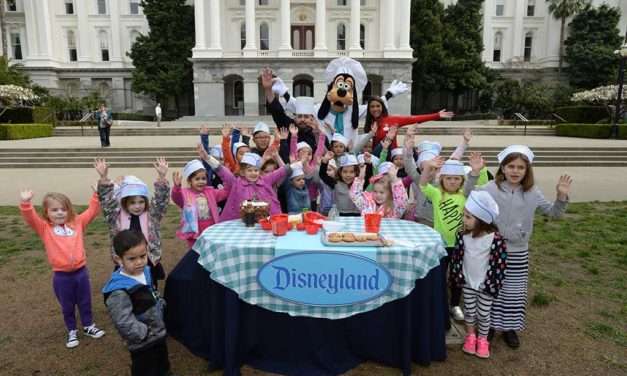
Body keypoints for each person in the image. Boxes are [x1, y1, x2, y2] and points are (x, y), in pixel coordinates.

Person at [468, 145, 571, 349]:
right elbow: (469, 197)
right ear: (503, 168)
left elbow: (554, 214)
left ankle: (509, 328)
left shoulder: (533, 192)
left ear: (527, 170)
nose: (515, 171)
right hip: (492, 250)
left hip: (518, 252)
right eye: (511, 166)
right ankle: (488, 327)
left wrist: (561, 197)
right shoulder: (491, 188)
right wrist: (473, 174)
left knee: (513, 292)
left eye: (520, 167)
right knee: (491, 290)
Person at [19, 188, 105, 348]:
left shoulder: (77, 223)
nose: (59, 213)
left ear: (69, 210)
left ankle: (88, 326)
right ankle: (72, 330)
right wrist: (26, 203)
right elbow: (31, 218)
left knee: (85, 301)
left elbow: (92, 211)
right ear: (46, 212)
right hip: (62, 277)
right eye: (54, 210)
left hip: (81, 273)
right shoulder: (45, 228)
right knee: (67, 305)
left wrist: (96, 195)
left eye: (63, 209)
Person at [419, 154, 485, 323]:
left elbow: (471, 185)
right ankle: (439, 304)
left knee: (457, 276)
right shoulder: (436, 194)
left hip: (460, 245)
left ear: (461, 181)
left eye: (457, 179)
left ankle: (455, 304)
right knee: (439, 275)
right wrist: (428, 167)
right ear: (442, 179)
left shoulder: (465, 196)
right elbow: (423, 183)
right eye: (449, 178)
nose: (453, 182)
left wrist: (475, 172)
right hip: (440, 245)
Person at [102, 230, 171, 376]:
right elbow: (123, 321)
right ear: (119, 259)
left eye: (143, 256)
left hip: (157, 333)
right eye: (132, 259)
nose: (139, 262)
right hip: (142, 342)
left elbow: (151, 291)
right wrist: (144, 333)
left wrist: (160, 303)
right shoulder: (118, 291)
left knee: (162, 363)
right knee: (146, 369)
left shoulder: (145, 271)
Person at [95, 157, 170, 287]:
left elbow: (161, 200)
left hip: (147, 260)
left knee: (150, 285)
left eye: (141, 202)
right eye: (132, 202)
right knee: (127, 287)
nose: (137, 206)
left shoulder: (152, 215)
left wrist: (162, 177)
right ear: (124, 202)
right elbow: (107, 201)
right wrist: (103, 178)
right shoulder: (116, 216)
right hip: (125, 260)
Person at [449, 191, 507, 359]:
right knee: (469, 311)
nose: (463, 220)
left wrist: (492, 283)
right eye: (464, 215)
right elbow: (457, 258)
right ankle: (470, 336)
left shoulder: (495, 239)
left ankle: (483, 340)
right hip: (467, 282)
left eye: (468, 217)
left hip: (485, 284)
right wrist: (457, 276)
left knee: (483, 312)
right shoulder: (462, 236)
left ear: (481, 220)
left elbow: (500, 264)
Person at [199, 148, 302, 221]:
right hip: (241, 224)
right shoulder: (236, 183)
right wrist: (208, 158)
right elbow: (222, 170)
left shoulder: (265, 180)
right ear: (243, 172)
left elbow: (281, 171)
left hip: (267, 222)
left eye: (256, 170)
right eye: (250, 170)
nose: (254, 173)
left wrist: (299, 163)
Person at [171, 158, 229, 248]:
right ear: (190, 181)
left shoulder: (210, 191)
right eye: (197, 179)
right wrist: (177, 187)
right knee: (195, 253)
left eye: (203, 178)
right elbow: (176, 198)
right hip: (194, 231)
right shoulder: (185, 193)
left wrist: (226, 175)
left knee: (210, 249)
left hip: (210, 228)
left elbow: (226, 192)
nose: (201, 182)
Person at [363, 96, 454, 149]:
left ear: (382, 107)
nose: (375, 109)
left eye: (378, 106)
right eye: (372, 107)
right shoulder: (369, 124)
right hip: (376, 160)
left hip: (392, 159)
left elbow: (414, 119)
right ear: (369, 109)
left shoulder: (393, 120)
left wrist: (437, 115)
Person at [319, 152, 374, 216]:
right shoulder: (336, 183)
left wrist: (368, 163)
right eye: (345, 172)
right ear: (340, 172)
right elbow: (322, 175)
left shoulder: (359, 184)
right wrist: (325, 161)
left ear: (356, 172)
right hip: (340, 214)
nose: (348, 175)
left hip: (357, 215)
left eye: (351, 172)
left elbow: (368, 177)